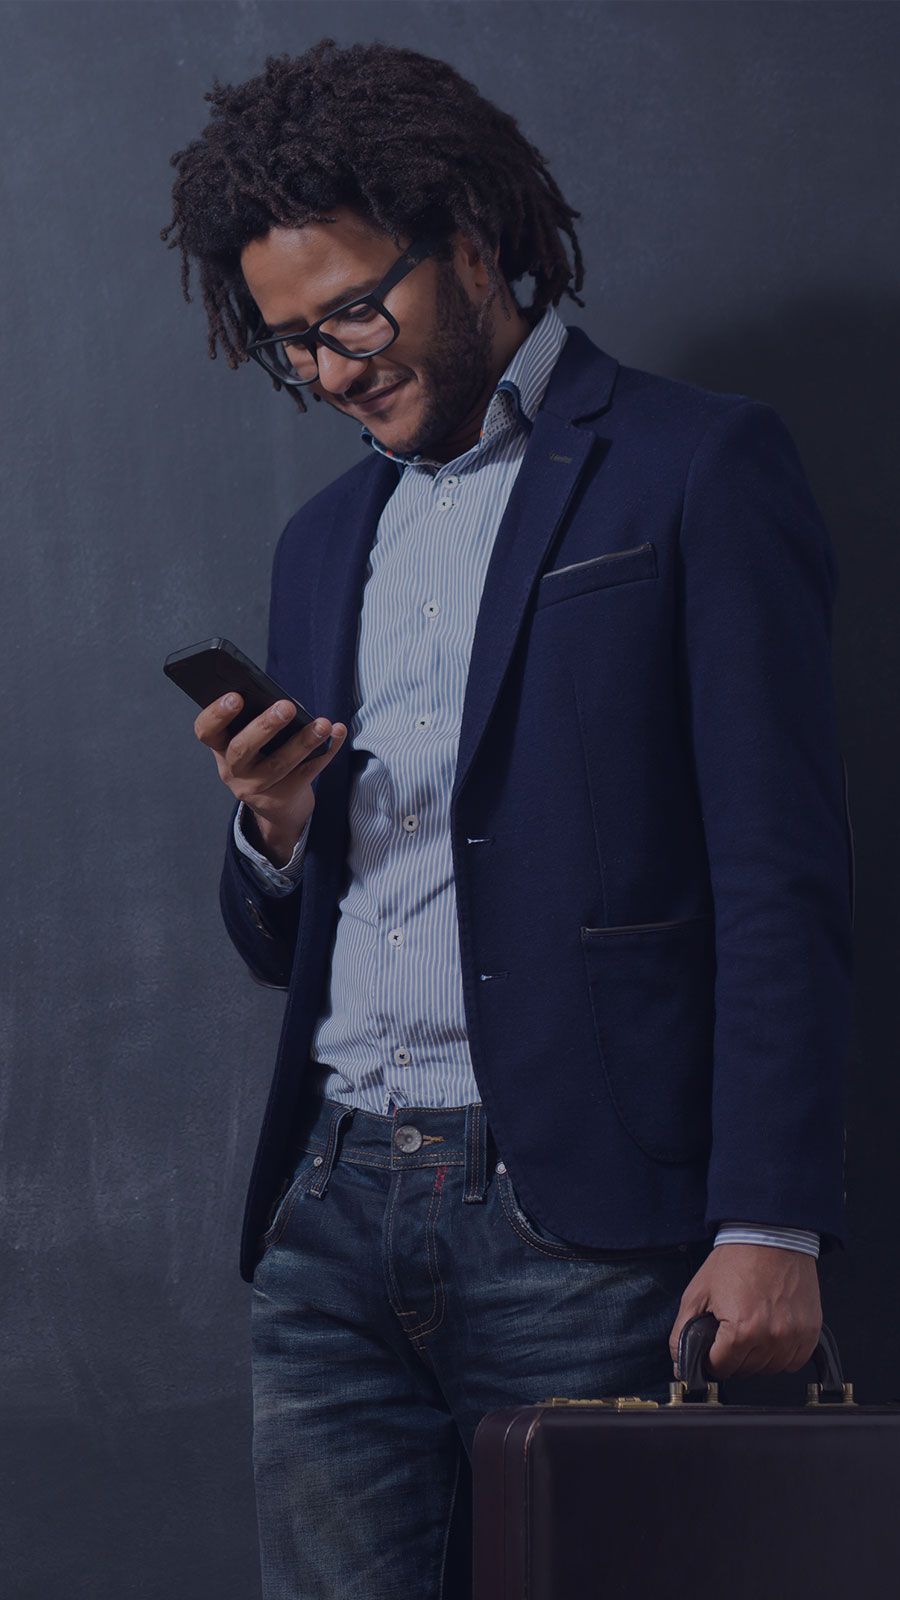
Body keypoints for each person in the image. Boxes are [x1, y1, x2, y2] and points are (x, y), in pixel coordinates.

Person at [161, 37, 855, 1600]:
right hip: (330, 1212)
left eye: (353, 311)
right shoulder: (321, 539)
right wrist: (274, 829)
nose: (332, 370)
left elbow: (781, 873)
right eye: (291, 343)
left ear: (472, 241)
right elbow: (286, 942)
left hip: (582, 1222)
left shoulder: (696, 466)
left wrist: (773, 1221)